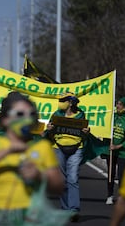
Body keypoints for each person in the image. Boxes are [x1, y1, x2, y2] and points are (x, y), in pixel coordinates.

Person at [0, 92, 64, 226]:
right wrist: (8, 150)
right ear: (5, 119)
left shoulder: (42, 146)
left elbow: (58, 186)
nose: (26, 119)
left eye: (31, 114)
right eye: (19, 114)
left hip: (29, 213)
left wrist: (39, 175)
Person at [45, 92, 89, 222]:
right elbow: (49, 131)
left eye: (63, 100)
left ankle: (74, 210)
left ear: (70, 102)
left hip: (76, 149)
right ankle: (65, 209)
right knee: (62, 180)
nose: (60, 102)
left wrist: (86, 133)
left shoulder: (81, 115)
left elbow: (84, 134)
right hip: (58, 148)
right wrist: (49, 128)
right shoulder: (56, 115)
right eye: (60, 100)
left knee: (73, 178)